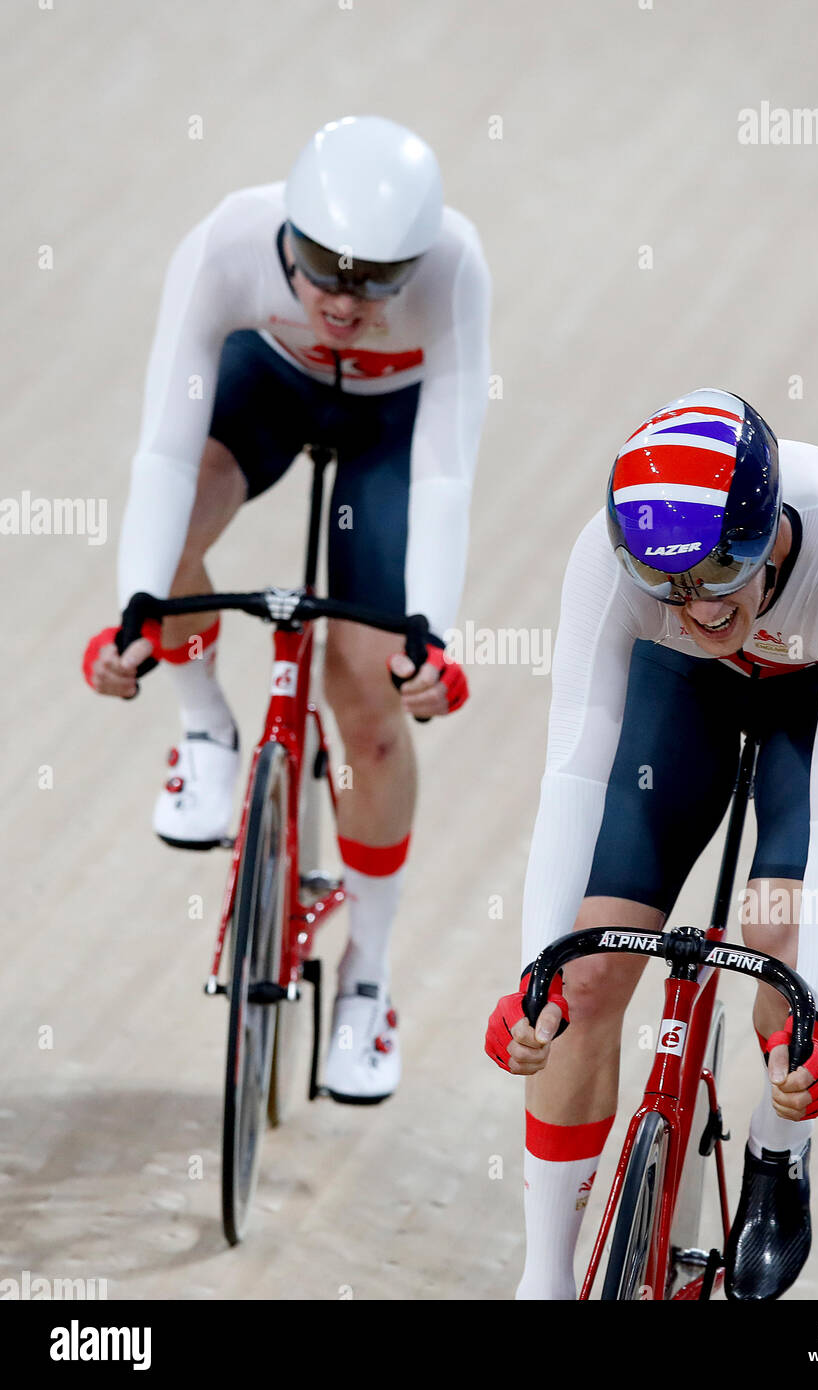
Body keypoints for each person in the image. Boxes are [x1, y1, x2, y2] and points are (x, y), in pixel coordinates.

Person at [82, 115, 490, 1103]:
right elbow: (166, 451)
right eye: (322, 270)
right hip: (271, 386)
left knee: (369, 701)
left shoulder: (455, 265)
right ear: (287, 237)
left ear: (415, 260)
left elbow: (442, 472)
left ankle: (369, 975)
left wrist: (427, 634)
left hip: (392, 431)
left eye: (375, 279)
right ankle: (206, 730)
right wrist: (137, 610)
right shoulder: (226, 238)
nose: (346, 301)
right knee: (176, 538)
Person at [486, 387, 818, 1300]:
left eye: (720, 574)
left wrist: (808, 1021)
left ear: (770, 537)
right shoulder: (619, 572)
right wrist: (534, 978)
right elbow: (571, 774)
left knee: (778, 949)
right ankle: (544, 1276)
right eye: (667, 586)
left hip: (816, 699)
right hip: (681, 692)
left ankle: (777, 1152)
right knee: (584, 979)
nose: (694, 607)